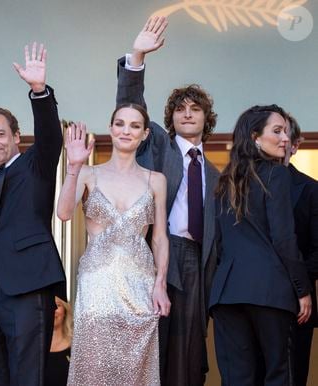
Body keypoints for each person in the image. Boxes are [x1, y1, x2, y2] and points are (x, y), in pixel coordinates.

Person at [116, 16, 220, 386]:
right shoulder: (158, 145)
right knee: (153, 338)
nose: (187, 113)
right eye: (180, 109)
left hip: (197, 262)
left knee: (191, 347)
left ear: (207, 119)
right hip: (157, 252)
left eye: (195, 109)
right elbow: (130, 106)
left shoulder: (220, 176)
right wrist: (139, 55)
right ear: (169, 119)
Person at [0, 42, 66, 386]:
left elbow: (51, 137)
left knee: (28, 377)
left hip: (28, 288)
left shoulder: (34, 166)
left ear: (16, 136)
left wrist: (39, 92)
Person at [57, 105, 170, 384]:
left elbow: (159, 238)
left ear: (144, 134)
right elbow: (63, 213)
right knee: (95, 365)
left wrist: (161, 284)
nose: (126, 131)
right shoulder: (87, 173)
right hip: (97, 282)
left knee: (136, 369)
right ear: (111, 129)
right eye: (119, 124)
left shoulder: (155, 180)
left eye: (134, 126)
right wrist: (73, 167)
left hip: (140, 282)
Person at [209, 104, 312, 386]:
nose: (285, 139)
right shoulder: (277, 174)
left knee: (237, 379)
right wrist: (302, 290)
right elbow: (284, 237)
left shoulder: (224, 180)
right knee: (279, 376)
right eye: (277, 131)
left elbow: (219, 242)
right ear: (255, 136)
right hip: (270, 291)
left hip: (226, 295)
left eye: (287, 132)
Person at [284, 114, 318, 386]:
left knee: (294, 375)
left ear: (295, 145)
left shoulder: (311, 190)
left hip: (298, 303)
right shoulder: (242, 188)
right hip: (255, 299)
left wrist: (296, 284)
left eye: (285, 136)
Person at [44, 296, 73, 386]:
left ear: (65, 311)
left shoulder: (76, 346)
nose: (53, 309)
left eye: (58, 305)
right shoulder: (33, 347)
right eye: (49, 305)